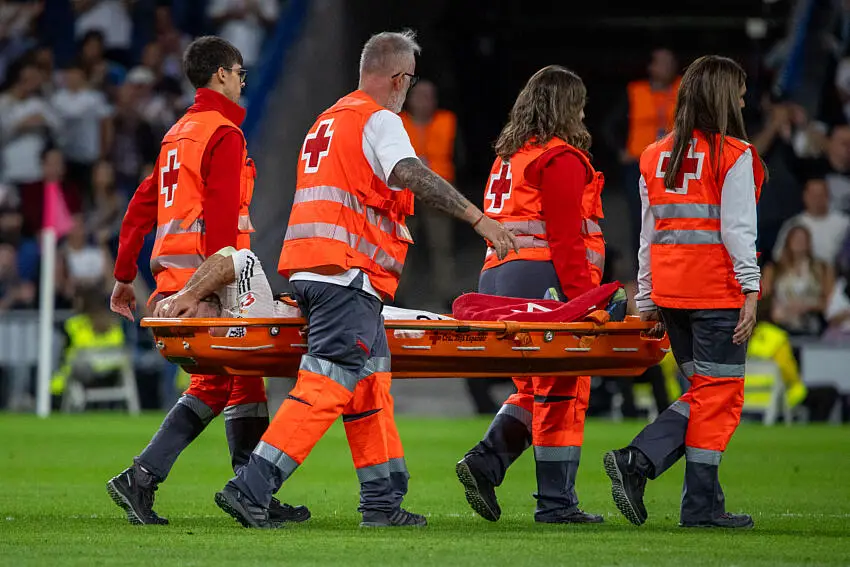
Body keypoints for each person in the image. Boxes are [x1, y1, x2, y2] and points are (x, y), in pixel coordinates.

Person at [213, 29, 518, 529]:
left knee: (370, 385)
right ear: (399, 78)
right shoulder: (380, 119)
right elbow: (408, 172)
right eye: (410, 81)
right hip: (345, 273)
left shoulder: (329, 119)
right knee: (328, 382)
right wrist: (477, 218)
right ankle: (252, 487)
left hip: (320, 270)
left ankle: (382, 503)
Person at [105, 36, 307, 526]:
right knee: (217, 385)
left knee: (245, 378)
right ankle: (142, 477)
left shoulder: (178, 134)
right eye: (238, 73)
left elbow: (140, 208)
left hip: (173, 283)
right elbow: (219, 227)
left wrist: (124, 276)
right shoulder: (224, 134)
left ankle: (251, 490)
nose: (242, 81)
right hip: (206, 285)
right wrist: (217, 288)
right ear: (220, 74)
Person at [603, 55, 766, 529]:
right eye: (739, 94)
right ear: (722, 98)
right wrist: (751, 290)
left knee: (705, 395)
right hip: (716, 294)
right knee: (718, 398)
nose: (743, 102)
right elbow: (737, 231)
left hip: (672, 296)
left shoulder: (653, 154)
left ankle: (700, 503)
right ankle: (646, 466)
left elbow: (647, 234)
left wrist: (647, 296)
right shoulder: (734, 154)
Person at [454, 65, 605, 525]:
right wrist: (587, 303)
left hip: (497, 280)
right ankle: (556, 503)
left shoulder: (510, 157)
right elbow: (565, 239)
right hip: (539, 279)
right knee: (563, 385)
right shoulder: (558, 158)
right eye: (579, 105)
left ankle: (486, 463)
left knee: (532, 387)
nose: (583, 114)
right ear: (565, 108)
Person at [763, 224, 833, 337]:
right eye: (796, 239)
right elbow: (763, 298)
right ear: (788, 241)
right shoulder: (774, 269)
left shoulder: (821, 268)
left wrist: (806, 306)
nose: (799, 242)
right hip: (779, 323)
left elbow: (829, 302)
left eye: (803, 239)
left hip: (811, 324)